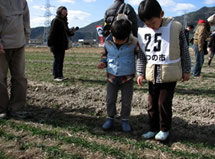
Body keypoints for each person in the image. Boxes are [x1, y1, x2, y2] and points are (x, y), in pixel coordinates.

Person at [137, 0, 191, 141]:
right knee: (151, 104)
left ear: (161, 14)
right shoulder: (145, 31)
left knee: (163, 104)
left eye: (153, 23)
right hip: (152, 73)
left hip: (169, 74)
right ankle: (152, 128)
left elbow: (184, 51)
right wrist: (140, 72)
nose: (151, 27)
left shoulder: (175, 27)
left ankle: (164, 129)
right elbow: (142, 54)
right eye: (148, 24)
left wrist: (186, 70)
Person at [97, 15, 138, 132]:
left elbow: (140, 57)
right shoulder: (107, 42)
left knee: (126, 101)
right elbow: (105, 55)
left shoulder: (134, 43)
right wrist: (103, 62)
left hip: (127, 78)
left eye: (122, 40)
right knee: (110, 99)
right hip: (111, 76)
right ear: (111, 32)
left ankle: (125, 119)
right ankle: (110, 117)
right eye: (116, 39)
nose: (119, 41)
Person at [0, 0, 30, 119]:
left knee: (19, 77)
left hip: (19, 44)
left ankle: (17, 108)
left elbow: (26, 20)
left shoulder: (21, 1)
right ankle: (2, 108)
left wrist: (25, 38)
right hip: (2, 44)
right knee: (0, 78)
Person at [48, 6, 77, 82]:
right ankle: (56, 75)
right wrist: (50, 43)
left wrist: (72, 32)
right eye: (63, 10)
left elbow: (67, 33)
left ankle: (60, 75)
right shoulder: (56, 20)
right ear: (59, 11)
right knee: (57, 59)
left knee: (61, 60)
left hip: (62, 44)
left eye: (66, 10)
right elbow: (52, 32)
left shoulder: (64, 21)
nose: (65, 11)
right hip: (56, 44)